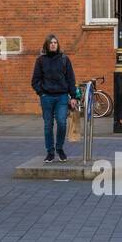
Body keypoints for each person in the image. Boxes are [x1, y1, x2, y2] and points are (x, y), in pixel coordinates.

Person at [31, 33, 79, 162]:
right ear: (47, 45)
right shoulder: (41, 60)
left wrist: (73, 97)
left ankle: (59, 148)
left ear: (58, 45)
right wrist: (41, 93)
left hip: (62, 97)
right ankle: (50, 152)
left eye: (55, 42)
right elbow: (35, 80)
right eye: (51, 43)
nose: (53, 45)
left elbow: (71, 79)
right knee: (48, 125)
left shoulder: (64, 59)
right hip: (46, 97)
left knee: (62, 123)